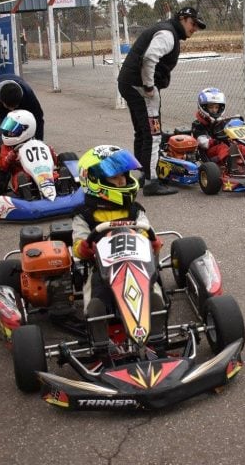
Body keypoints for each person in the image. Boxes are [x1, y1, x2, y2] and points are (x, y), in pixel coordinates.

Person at [71, 145, 165, 347]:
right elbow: (77, 244)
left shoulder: (135, 211)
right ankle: (99, 338)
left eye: (124, 175)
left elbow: (146, 234)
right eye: (115, 178)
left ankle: (156, 331)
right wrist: (85, 247)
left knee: (152, 285)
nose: (123, 181)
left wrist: (153, 243)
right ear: (95, 181)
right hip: (102, 270)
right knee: (94, 290)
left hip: (137, 265)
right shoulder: (85, 215)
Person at [117, 6, 206, 196]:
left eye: (197, 26)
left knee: (142, 131)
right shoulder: (168, 34)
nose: (194, 28)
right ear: (182, 18)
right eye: (193, 24)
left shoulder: (167, 30)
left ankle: (143, 174)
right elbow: (149, 57)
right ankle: (151, 181)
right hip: (140, 87)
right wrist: (149, 86)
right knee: (153, 134)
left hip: (129, 83)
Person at [0, 74, 45, 148]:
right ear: (1, 101)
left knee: (24, 136)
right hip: (0, 113)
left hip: (21, 112)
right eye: (9, 107)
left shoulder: (28, 95)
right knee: (2, 140)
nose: (12, 110)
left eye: (14, 107)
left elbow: (38, 119)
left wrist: (39, 143)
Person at [0, 109, 56, 194]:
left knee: (54, 174)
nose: (9, 133)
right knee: (21, 177)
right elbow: (3, 167)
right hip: (20, 172)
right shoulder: (6, 148)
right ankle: (27, 197)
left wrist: (50, 151)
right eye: (8, 129)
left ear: (26, 129)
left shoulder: (36, 144)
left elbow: (54, 162)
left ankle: (63, 187)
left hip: (42, 170)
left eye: (13, 130)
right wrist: (11, 156)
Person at [191, 87, 245, 170]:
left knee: (240, 146)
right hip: (208, 154)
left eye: (216, 107)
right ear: (203, 107)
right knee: (222, 147)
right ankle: (232, 167)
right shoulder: (198, 124)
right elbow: (203, 143)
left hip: (225, 149)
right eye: (211, 107)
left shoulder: (222, 121)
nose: (214, 110)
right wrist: (215, 141)